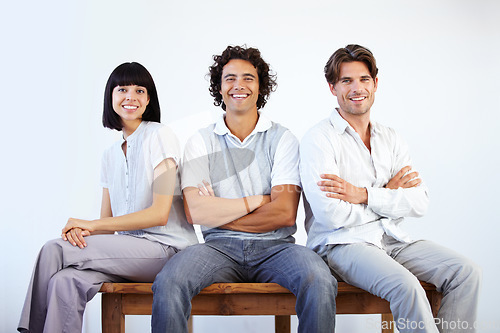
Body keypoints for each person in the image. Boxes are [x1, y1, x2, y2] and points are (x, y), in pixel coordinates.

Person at [151, 45, 337, 333]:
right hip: (217, 248)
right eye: (230, 78)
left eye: (248, 78)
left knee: (319, 279)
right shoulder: (200, 142)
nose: (239, 85)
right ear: (220, 87)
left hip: (276, 248)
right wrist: (261, 201)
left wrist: (220, 212)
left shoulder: (283, 139)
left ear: (261, 86)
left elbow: (285, 214)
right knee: (169, 281)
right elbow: (195, 211)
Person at [299, 44, 481, 333]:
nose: (356, 88)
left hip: (391, 239)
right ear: (332, 87)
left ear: (375, 84)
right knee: (406, 286)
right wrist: (388, 194)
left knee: (465, 272)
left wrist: (363, 194)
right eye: (346, 80)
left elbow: (419, 202)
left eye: (364, 79)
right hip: (342, 244)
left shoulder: (390, 138)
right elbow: (331, 216)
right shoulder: (318, 140)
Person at [18, 62, 198, 333]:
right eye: (122, 89)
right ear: (110, 97)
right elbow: (107, 222)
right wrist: (84, 233)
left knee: (54, 249)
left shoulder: (160, 135)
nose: (131, 97)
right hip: (128, 253)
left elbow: (160, 213)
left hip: (167, 250)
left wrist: (91, 225)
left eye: (140, 90)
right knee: (65, 281)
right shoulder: (110, 155)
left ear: (149, 99)